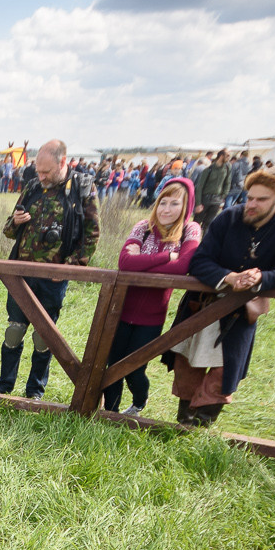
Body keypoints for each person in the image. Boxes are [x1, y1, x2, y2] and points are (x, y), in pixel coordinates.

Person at [163, 166, 275, 426]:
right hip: (203, 302)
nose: (251, 204)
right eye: (250, 197)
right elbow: (200, 261)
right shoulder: (228, 217)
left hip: (242, 308)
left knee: (225, 369)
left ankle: (200, 427)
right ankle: (183, 424)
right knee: (188, 362)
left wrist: (261, 278)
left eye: (261, 199)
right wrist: (228, 277)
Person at [0, 140, 101, 399]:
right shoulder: (32, 187)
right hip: (21, 274)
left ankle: (35, 391)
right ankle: (4, 386)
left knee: (44, 337)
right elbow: (9, 230)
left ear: (63, 162)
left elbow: (91, 235)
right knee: (14, 331)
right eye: (38, 171)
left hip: (53, 278)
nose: (41, 177)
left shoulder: (82, 189)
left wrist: (70, 268)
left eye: (46, 172)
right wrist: (15, 222)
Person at [107, 176, 201, 415]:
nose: (166, 209)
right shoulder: (143, 227)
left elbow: (182, 267)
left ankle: (138, 402)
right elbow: (124, 263)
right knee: (112, 364)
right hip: (121, 310)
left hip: (151, 316)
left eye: (174, 203)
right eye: (162, 202)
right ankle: (110, 412)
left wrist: (142, 261)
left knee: (134, 368)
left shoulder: (190, 230)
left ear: (187, 206)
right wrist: (166, 257)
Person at [195, 151, 230, 227]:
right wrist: (198, 203)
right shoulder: (209, 169)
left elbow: (227, 183)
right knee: (196, 222)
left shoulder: (226, 169)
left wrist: (223, 197)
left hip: (217, 200)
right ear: (221, 156)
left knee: (209, 224)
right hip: (205, 199)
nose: (228, 158)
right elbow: (200, 187)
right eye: (227, 155)